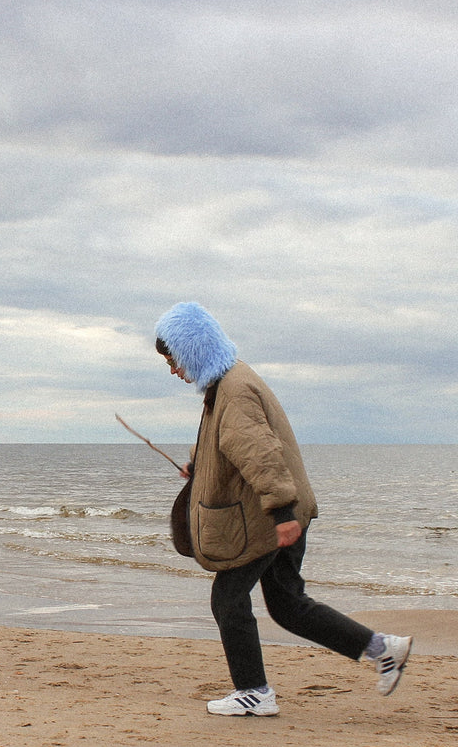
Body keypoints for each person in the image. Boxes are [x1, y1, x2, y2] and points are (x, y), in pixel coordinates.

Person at [154, 301, 412, 716]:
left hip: (266, 518)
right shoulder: (225, 385)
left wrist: (282, 514)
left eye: (173, 360)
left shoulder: (234, 390)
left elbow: (259, 454)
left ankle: (254, 692)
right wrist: (198, 465)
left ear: (193, 350)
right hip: (278, 512)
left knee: (228, 600)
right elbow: (229, 444)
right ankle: (382, 648)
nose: (173, 370)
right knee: (288, 605)